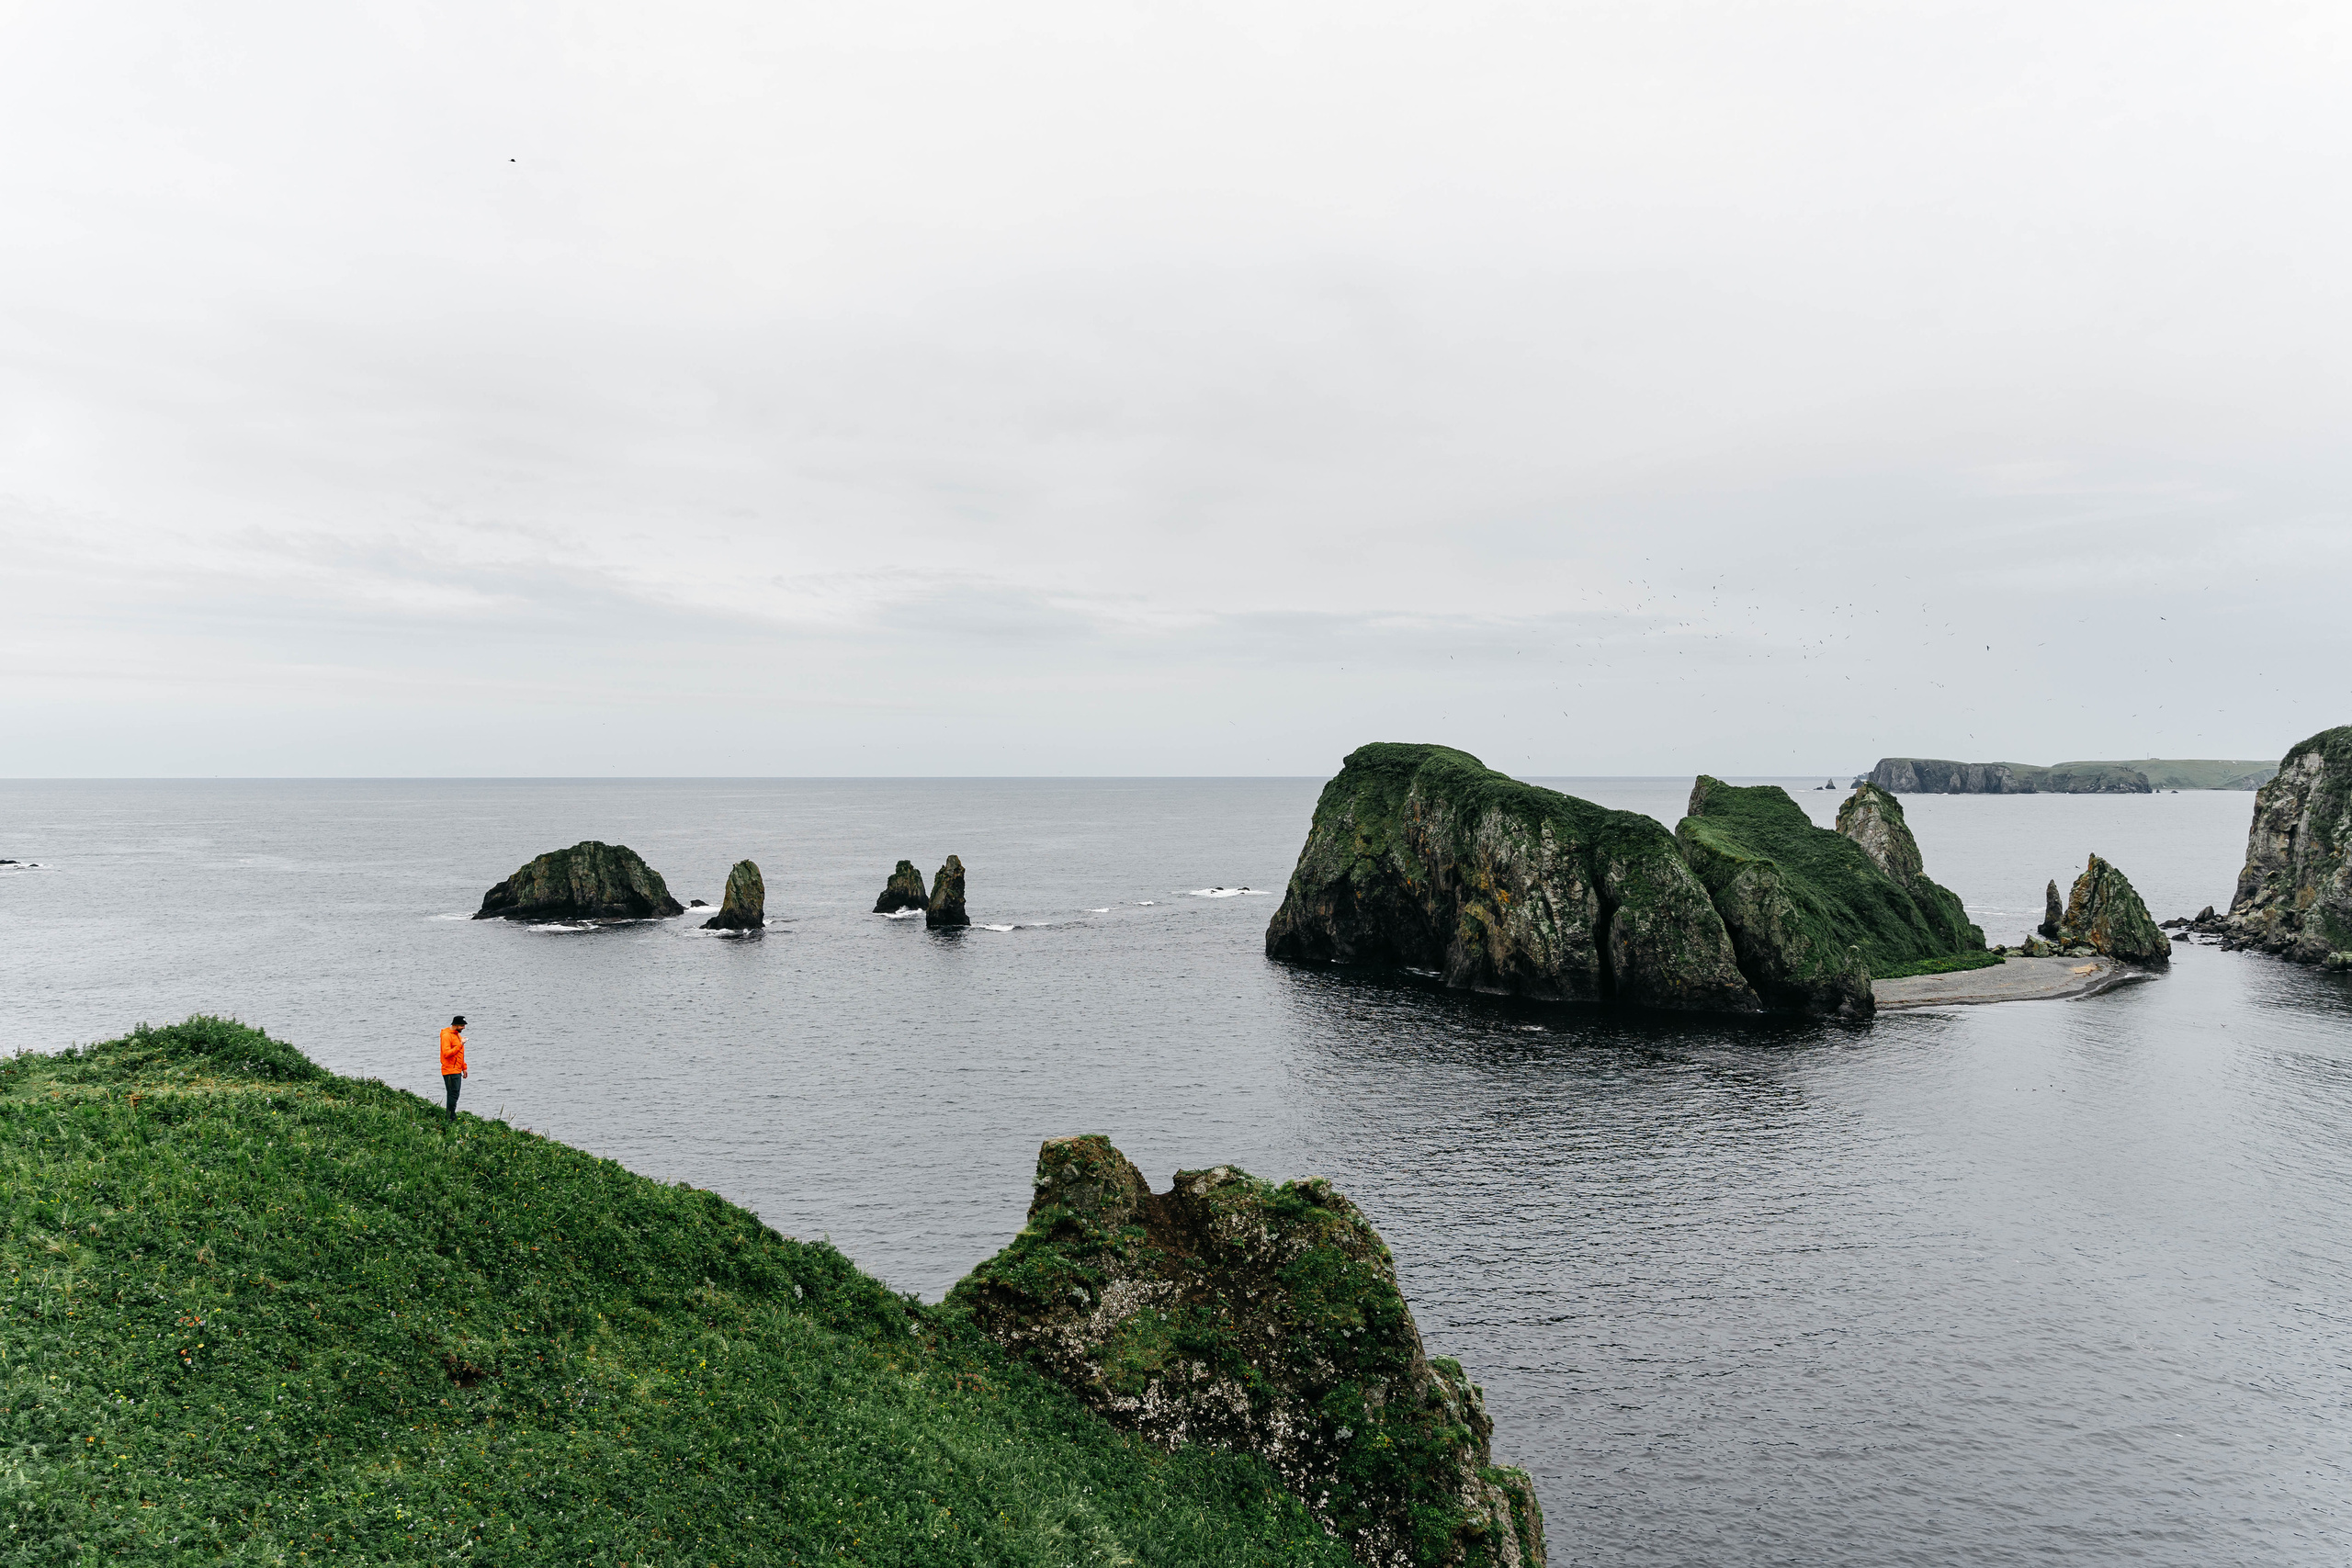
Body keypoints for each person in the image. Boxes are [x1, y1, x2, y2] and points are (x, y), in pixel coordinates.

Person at [439, 1014, 468, 1121]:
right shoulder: (447, 1036)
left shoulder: (456, 1035)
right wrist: (460, 1044)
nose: (463, 1028)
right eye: (462, 1026)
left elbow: (459, 1054)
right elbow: (447, 1053)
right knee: (453, 1094)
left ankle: (451, 1116)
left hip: (456, 1070)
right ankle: (450, 1118)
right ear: (455, 1025)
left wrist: (464, 1067)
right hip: (449, 1070)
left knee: (455, 1094)